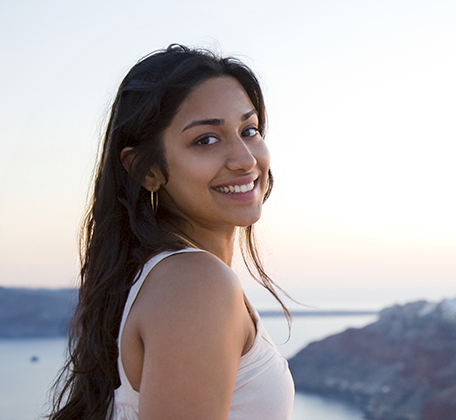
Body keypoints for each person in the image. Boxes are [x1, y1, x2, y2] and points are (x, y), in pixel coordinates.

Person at [49, 44, 294, 420]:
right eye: (206, 140)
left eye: (249, 130)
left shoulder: (162, 279)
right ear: (146, 170)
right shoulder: (195, 284)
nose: (245, 159)